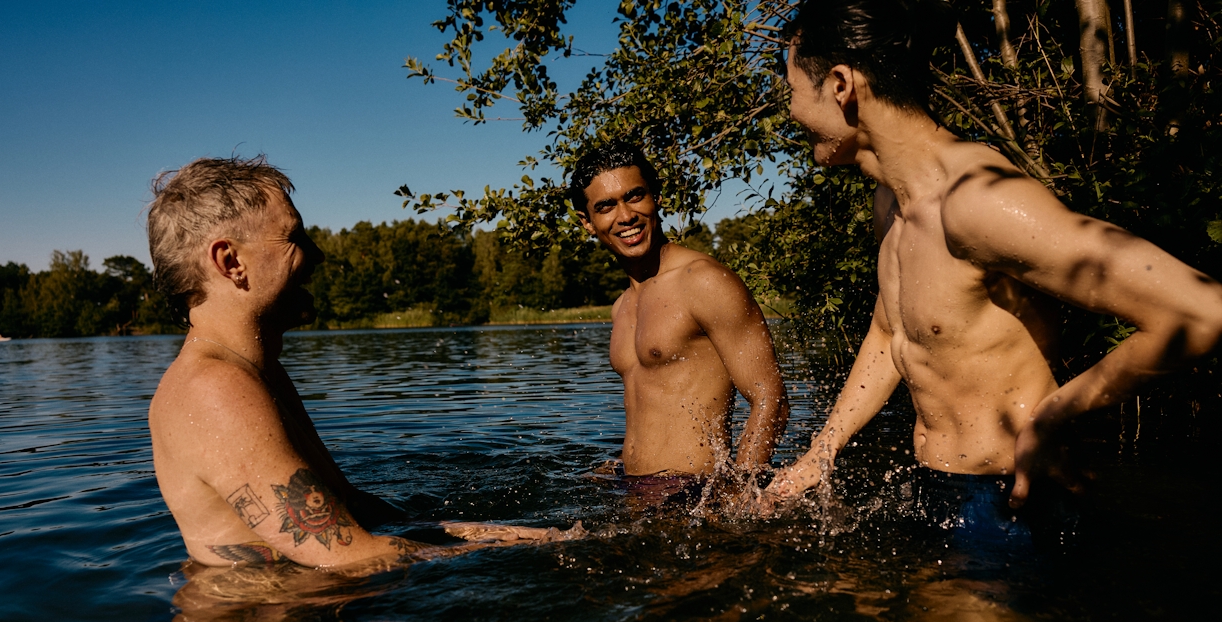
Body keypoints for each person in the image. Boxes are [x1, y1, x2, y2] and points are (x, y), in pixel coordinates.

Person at [766, 0, 1222, 528]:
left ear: (841, 84)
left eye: (793, 88)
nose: (792, 109)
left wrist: (1049, 419)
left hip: (1007, 502)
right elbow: (891, 332)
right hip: (936, 485)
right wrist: (822, 450)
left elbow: (1201, 311)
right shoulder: (891, 203)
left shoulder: (979, 204)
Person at [147, 156, 569, 567]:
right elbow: (351, 558)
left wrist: (502, 532)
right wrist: (547, 551)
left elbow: (349, 509)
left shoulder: (255, 372)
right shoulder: (215, 390)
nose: (317, 255)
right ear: (231, 262)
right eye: (295, 238)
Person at [570, 140, 789, 491]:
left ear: (657, 197)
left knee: (480, 539)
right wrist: (619, 467)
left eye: (635, 196)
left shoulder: (703, 282)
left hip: (693, 496)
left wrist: (738, 495)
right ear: (588, 222)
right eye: (607, 206)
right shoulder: (622, 305)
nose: (625, 215)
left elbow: (771, 400)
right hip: (634, 490)